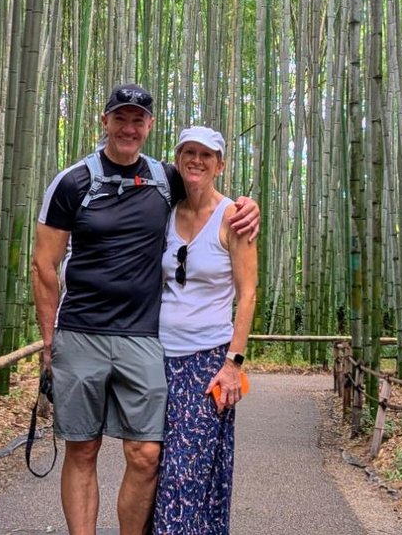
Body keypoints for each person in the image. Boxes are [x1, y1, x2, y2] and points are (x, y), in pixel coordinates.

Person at [31, 84, 259, 535]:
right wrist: (48, 343)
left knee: (146, 454)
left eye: (138, 120)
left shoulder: (163, 179)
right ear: (105, 121)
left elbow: (207, 190)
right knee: (83, 448)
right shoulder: (73, 181)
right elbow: (43, 264)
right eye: (121, 118)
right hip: (81, 333)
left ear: (149, 126)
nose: (129, 127)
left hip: (142, 339)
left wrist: (249, 207)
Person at [151, 125, 257, 535]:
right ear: (178, 159)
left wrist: (234, 363)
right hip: (158, 357)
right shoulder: (165, 211)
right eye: (188, 152)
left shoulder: (233, 217)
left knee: (188, 472)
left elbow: (247, 294)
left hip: (208, 360)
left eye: (206, 155)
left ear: (220, 165)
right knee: (155, 464)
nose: (196, 160)